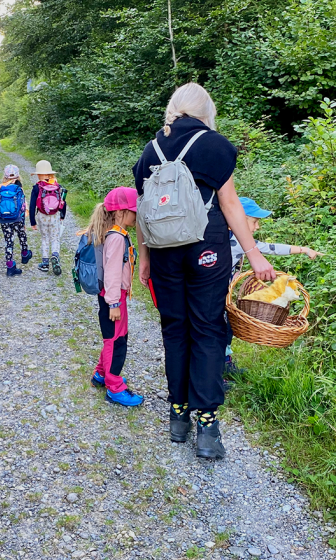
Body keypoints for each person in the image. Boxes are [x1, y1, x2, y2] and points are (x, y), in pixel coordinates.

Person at [133, 83, 276, 461]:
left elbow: (143, 208)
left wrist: (143, 258)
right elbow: (229, 203)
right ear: (205, 111)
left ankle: (178, 416)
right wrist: (254, 254)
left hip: (163, 251)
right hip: (206, 248)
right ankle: (208, 426)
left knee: (174, 328)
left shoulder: (152, 149)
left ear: (174, 108)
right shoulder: (215, 145)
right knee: (209, 329)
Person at [224, 196, 322, 372]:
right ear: (234, 221)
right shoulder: (236, 242)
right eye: (254, 222)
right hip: (215, 294)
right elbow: (270, 248)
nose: (257, 227)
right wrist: (304, 250)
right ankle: (219, 368)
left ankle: (224, 362)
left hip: (219, 293)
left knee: (224, 329)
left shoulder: (229, 239)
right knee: (220, 330)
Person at [84, 187, 144, 407]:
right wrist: (114, 303)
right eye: (134, 211)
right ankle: (115, 387)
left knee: (114, 338)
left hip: (113, 296)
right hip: (113, 297)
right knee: (117, 342)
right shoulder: (117, 237)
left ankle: (101, 374)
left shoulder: (114, 232)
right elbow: (111, 273)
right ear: (121, 212)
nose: (136, 215)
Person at [28, 160, 67, 275]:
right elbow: (63, 202)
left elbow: (31, 205)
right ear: (51, 174)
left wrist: (32, 221)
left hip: (42, 216)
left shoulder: (37, 187)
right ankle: (55, 256)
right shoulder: (57, 186)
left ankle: (45, 263)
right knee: (55, 238)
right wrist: (62, 215)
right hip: (54, 216)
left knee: (45, 239)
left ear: (39, 175)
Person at [0, 164, 33, 277]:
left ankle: (10, 266)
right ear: (18, 175)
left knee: (8, 241)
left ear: (5, 176)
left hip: (4, 219)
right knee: (22, 235)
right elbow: (23, 204)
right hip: (17, 218)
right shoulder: (18, 188)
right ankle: (25, 254)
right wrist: (24, 218)